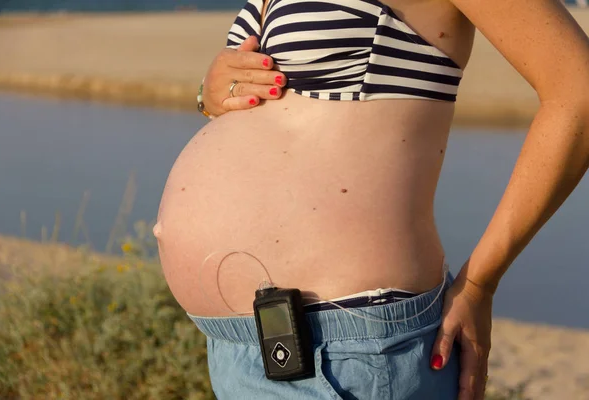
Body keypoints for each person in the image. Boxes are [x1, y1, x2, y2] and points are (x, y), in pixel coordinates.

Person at [153, 0, 589, 399]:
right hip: (239, 347)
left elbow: (578, 89)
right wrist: (210, 95)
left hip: (351, 349)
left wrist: (479, 284)